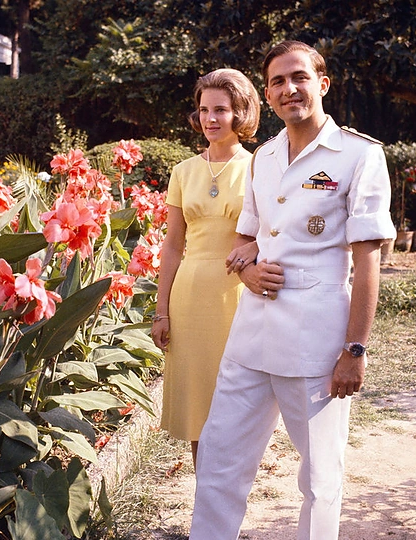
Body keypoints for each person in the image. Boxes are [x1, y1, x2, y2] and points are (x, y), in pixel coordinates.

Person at [188, 41, 397, 539]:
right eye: (278, 82)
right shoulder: (264, 157)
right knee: (220, 461)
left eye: (299, 77)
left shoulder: (358, 155)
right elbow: (249, 237)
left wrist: (355, 350)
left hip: (317, 337)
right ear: (268, 93)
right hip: (252, 333)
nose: (290, 89)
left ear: (322, 83)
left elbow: (368, 262)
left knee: (321, 476)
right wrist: (245, 270)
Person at [151, 68, 261, 468]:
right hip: (190, 296)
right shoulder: (183, 171)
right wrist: (161, 310)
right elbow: (173, 245)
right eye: (203, 110)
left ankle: (231, 504)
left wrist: (254, 248)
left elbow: (275, 232)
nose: (210, 119)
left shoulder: (258, 167)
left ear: (240, 113)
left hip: (238, 296)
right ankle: (207, 512)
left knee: (236, 404)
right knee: (199, 408)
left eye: (221, 110)